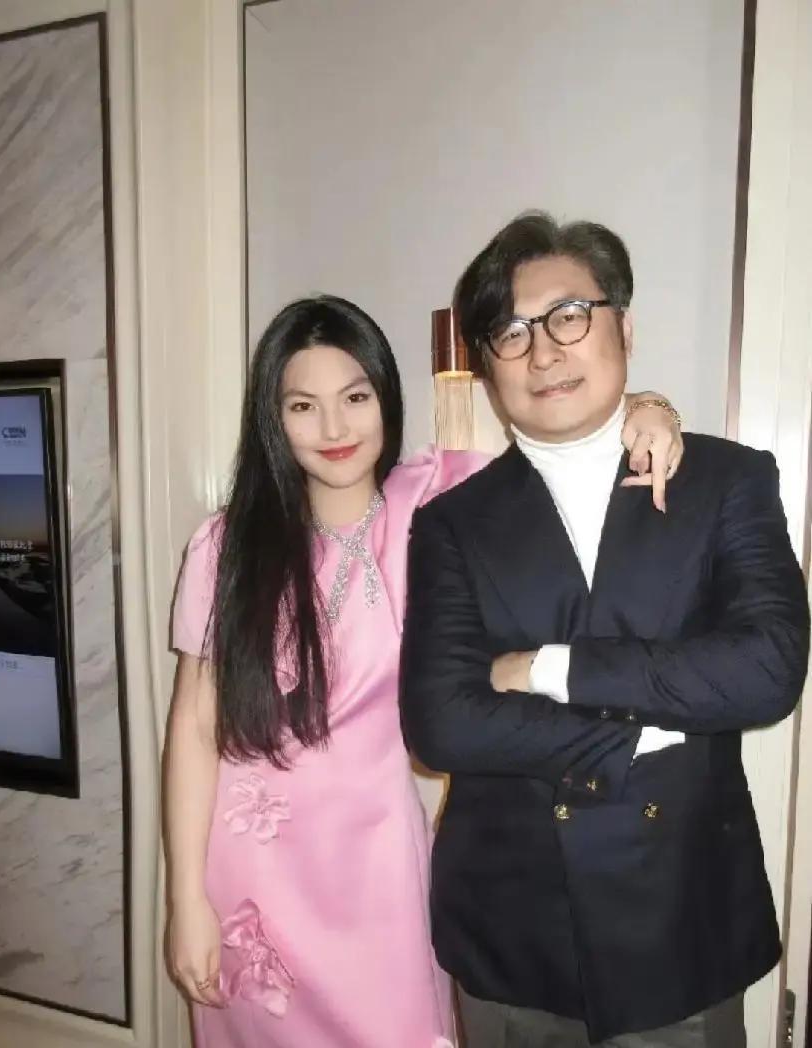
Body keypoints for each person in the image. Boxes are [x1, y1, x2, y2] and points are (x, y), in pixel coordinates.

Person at [163, 293, 684, 1048]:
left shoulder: (436, 503)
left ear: (386, 395)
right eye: (303, 406)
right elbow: (193, 726)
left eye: (355, 398)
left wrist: (649, 406)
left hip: (379, 874)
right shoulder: (224, 546)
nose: (334, 429)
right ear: (272, 418)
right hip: (251, 886)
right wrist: (186, 899)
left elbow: (561, 437)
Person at [399, 212, 811, 1048]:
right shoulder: (452, 523)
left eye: (567, 316)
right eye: (510, 333)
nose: (542, 351)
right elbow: (442, 724)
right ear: (486, 365)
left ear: (623, 327)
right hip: (513, 932)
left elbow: (766, 671)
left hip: (679, 921)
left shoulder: (725, 480)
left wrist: (545, 669)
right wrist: (643, 735)